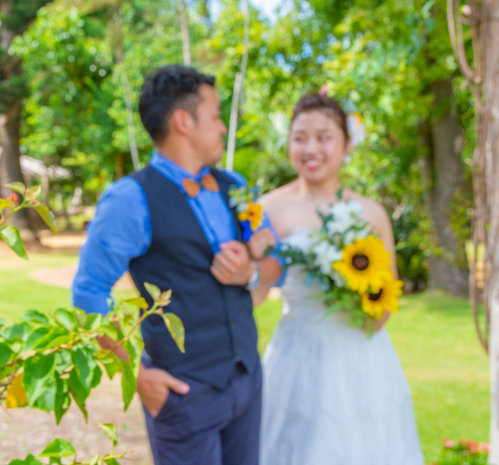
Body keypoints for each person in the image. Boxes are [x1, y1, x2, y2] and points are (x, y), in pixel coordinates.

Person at [71, 65, 284, 465]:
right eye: (217, 115)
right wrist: (137, 375)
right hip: (183, 394)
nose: (223, 127)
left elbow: (278, 263)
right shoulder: (129, 198)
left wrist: (251, 273)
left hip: (246, 380)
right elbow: (88, 294)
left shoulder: (236, 186)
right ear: (183, 121)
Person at [251, 93, 424, 464]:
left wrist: (356, 291)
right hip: (295, 355)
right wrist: (252, 261)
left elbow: (384, 309)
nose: (310, 148)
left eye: (323, 137)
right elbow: (255, 296)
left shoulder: (373, 214)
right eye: (299, 138)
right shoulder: (267, 209)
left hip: (362, 356)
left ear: (347, 144)